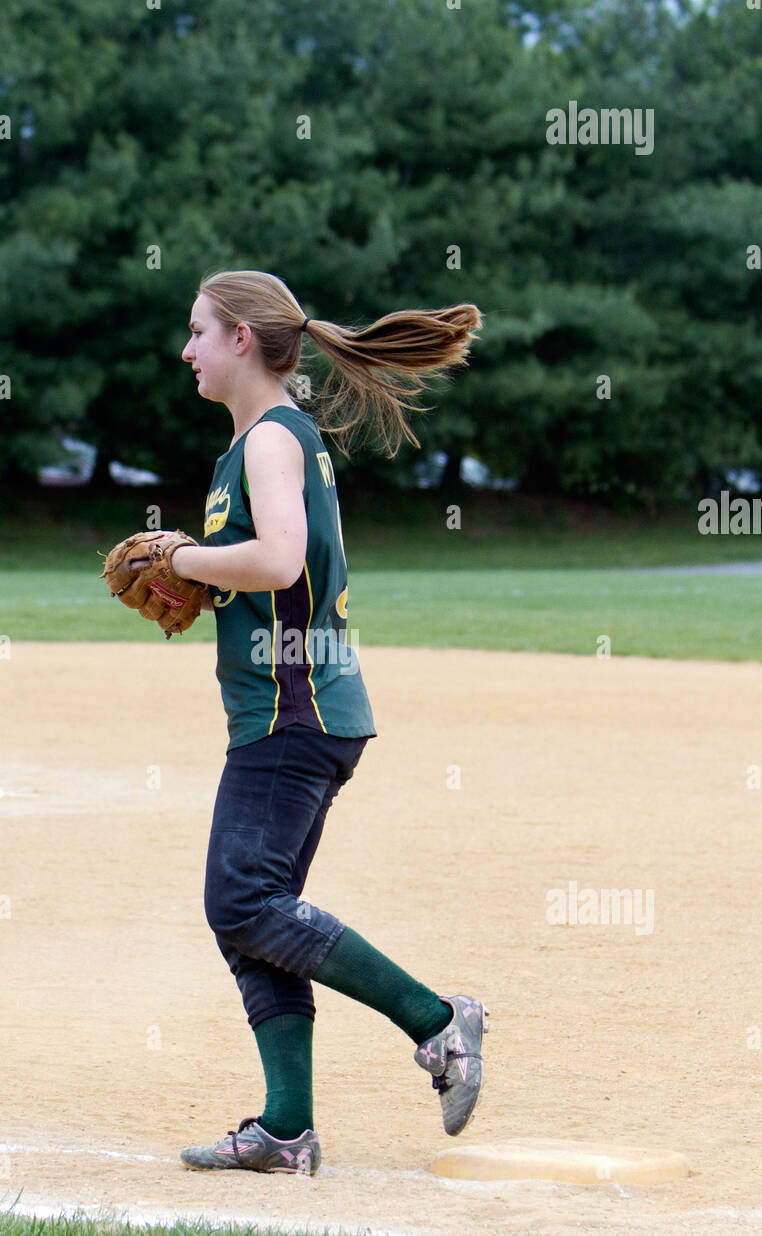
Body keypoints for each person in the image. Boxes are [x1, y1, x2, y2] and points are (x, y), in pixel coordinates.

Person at [170, 269, 487, 1176]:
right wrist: (200, 571)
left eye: (198, 331)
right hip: (292, 708)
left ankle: (438, 1022)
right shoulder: (263, 442)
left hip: (293, 708)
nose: (187, 350)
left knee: (241, 899)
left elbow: (277, 559)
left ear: (240, 338)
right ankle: (285, 1128)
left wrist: (185, 556)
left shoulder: (271, 438)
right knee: (254, 915)